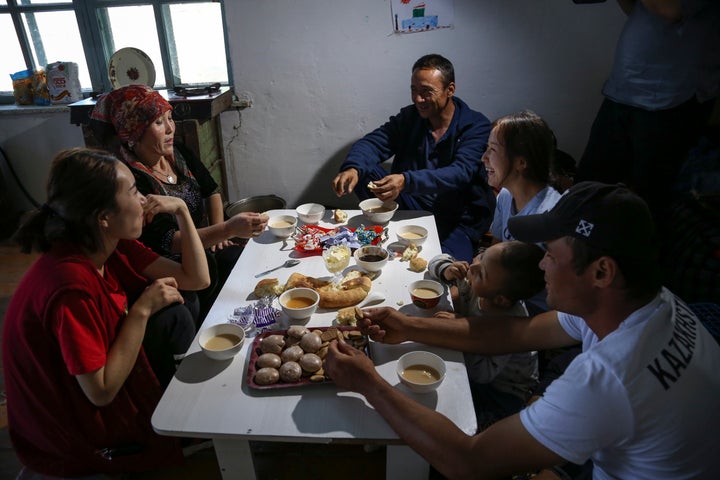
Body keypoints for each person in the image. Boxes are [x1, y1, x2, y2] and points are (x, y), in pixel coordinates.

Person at [324, 181, 720, 479]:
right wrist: (409, 326)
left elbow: (469, 459)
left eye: (551, 255)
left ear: (601, 271)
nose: (542, 266)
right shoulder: (642, 300)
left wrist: (370, 382)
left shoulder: (610, 376)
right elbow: (518, 334)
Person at [2, 148, 211, 477]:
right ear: (103, 216)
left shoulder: (108, 242)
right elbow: (99, 391)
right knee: (167, 311)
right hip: (72, 436)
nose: (144, 199)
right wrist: (140, 309)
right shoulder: (69, 285)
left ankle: (184, 417)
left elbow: (196, 279)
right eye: (132, 191)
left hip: (92, 397)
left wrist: (182, 210)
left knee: (180, 303)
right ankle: (180, 426)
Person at [89, 84, 268, 317]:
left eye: (170, 118)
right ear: (133, 134)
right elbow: (169, 241)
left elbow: (211, 190)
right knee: (195, 295)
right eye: (158, 123)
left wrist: (219, 236)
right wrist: (225, 229)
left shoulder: (178, 152)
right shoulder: (132, 181)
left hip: (204, 239)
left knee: (238, 260)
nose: (170, 129)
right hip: (170, 258)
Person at [331, 54, 495, 263]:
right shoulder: (410, 118)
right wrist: (352, 168)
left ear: (450, 90)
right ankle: (388, 225)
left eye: (426, 92)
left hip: (455, 220)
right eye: (414, 90)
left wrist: (406, 181)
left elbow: (460, 173)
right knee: (365, 170)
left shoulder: (475, 125)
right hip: (411, 205)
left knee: (446, 270)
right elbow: (374, 142)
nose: (418, 99)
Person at [576, 0, 720, 222]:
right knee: (588, 186)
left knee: (648, 201)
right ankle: (576, 252)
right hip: (625, 90)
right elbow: (635, 8)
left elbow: (671, 9)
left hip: (671, 101)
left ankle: (633, 255)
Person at [429, 241, 546, 429]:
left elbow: (482, 374)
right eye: (482, 256)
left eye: (482, 273)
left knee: (457, 418)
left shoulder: (507, 327)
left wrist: (460, 328)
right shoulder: (477, 283)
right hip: (479, 371)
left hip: (503, 393)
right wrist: (446, 269)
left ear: (500, 299)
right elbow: (436, 260)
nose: (473, 266)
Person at [483, 110, 562, 244]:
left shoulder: (548, 215)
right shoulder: (506, 195)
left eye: (493, 150)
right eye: (487, 148)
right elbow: (495, 248)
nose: (484, 158)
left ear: (521, 162)